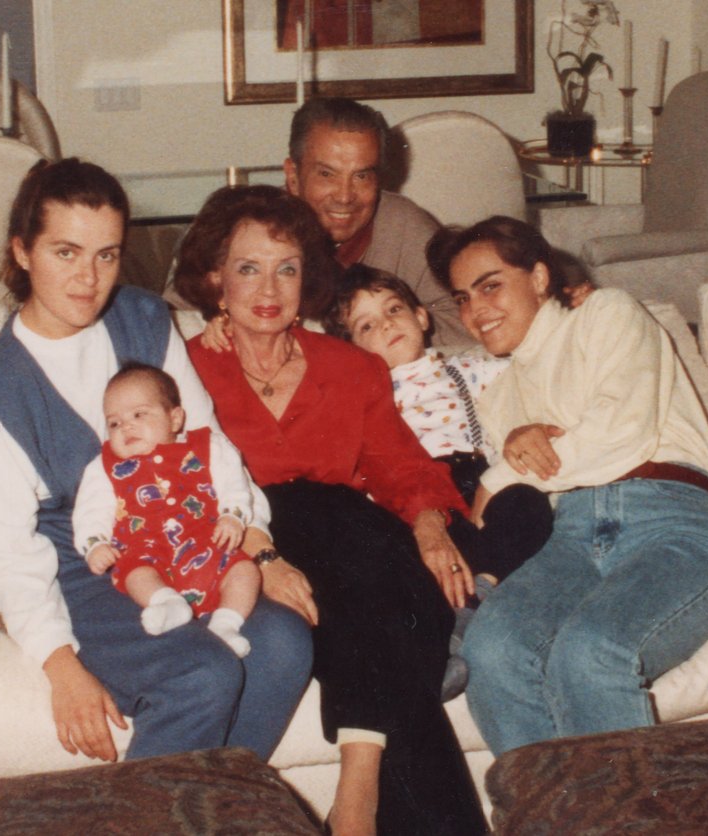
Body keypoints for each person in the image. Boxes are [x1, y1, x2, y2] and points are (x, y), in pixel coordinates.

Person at [0, 158, 311, 766]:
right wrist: (61, 667)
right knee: (204, 672)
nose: (88, 278)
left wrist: (254, 544)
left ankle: (219, 817)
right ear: (23, 251)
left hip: (185, 535)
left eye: (106, 255)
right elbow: (3, 554)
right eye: (66, 252)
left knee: (284, 642)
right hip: (87, 567)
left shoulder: (142, 318)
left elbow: (208, 446)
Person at [174, 184, 488, 836]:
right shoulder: (182, 372)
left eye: (287, 268)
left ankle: (358, 784)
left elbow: (403, 466)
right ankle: (365, 794)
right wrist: (263, 558)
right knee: (355, 584)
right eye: (247, 267)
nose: (269, 287)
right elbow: (179, 491)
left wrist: (431, 527)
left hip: (362, 549)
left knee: (371, 563)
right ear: (214, 279)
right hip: (267, 540)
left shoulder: (351, 368)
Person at [426, 216, 708, 757]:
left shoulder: (607, 313)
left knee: (590, 650)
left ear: (541, 278)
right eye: (462, 299)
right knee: (494, 650)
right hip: (567, 535)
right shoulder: (498, 398)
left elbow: (621, 434)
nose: (476, 311)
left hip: (669, 518)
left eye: (491, 285)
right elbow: (531, 491)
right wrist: (525, 454)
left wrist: (507, 470)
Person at [324, 264, 557, 597]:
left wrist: (564, 309)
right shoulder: (362, 398)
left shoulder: (467, 367)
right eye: (367, 325)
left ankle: (484, 586)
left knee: (528, 503)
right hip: (425, 498)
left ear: (421, 317)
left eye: (393, 309)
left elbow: (534, 362)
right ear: (353, 352)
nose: (387, 323)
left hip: (480, 480)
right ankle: (472, 596)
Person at [72, 363, 262, 657]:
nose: (126, 426)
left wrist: (232, 515)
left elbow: (234, 483)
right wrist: (94, 544)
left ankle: (226, 626)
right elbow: (90, 510)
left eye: (139, 414)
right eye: (114, 423)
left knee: (246, 571)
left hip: (208, 546)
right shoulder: (103, 467)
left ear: (175, 418)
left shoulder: (208, 446)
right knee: (135, 573)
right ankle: (166, 604)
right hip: (146, 554)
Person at [283, 97, 471, 347]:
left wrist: (379, 339)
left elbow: (466, 320)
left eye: (361, 176)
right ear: (293, 177)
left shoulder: (403, 225)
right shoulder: (261, 234)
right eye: (327, 174)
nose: (344, 196)